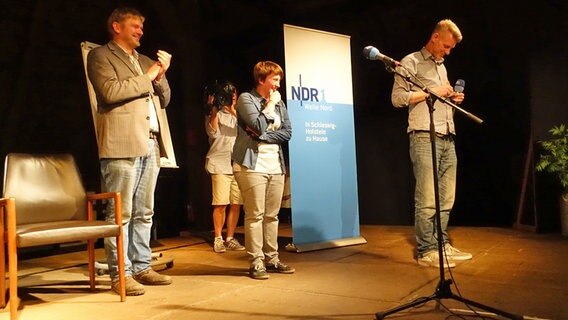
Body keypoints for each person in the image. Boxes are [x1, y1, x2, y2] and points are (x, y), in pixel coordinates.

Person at [87, 6, 173, 295]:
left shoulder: (146, 60)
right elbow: (110, 92)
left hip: (150, 141)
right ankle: (119, 273)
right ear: (116, 26)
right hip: (121, 142)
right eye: (135, 26)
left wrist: (160, 77)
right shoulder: (100, 56)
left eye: (141, 27)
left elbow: (166, 99)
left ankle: (141, 266)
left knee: (145, 211)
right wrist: (148, 77)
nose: (140, 31)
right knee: (119, 213)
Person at [391, 19, 473, 268]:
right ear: (436, 37)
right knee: (427, 196)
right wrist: (432, 92)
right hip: (423, 135)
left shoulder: (442, 67)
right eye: (446, 47)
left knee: (447, 197)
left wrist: (452, 98)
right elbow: (397, 98)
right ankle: (426, 250)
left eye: (451, 49)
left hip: (447, 134)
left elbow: (439, 96)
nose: (447, 52)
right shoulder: (411, 62)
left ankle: (442, 244)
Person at [232, 61, 294, 279]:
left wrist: (265, 136)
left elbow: (287, 132)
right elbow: (257, 124)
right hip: (251, 164)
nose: (278, 84)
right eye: (275, 79)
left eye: (279, 80)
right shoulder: (246, 99)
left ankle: (272, 258)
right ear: (261, 79)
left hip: (275, 164)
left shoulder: (280, 103)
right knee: (255, 215)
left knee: (272, 215)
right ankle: (256, 262)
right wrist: (268, 106)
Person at [204, 81, 245, 253]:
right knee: (221, 203)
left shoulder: (241, 115)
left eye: (234, 93)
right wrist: (213, 109)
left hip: (238, 163)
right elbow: (212, 133)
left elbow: (249, 129)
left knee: (236, 203)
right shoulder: (216, 114)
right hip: (219, 162)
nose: (232, 97)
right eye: (228, 94)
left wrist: (235, 111)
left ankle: (230, 237)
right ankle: (218, 237)